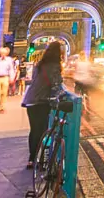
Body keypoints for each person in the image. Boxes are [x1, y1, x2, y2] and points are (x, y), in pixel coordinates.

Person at [22, 41, 63, 169]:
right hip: (42, 101)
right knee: (45, 131)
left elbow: (34, 79)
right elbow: (56, 84)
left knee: (34, 130)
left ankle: (31, 159)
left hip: (30, 100)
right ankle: (43, 161)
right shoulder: (55, 66)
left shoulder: (39, 64)